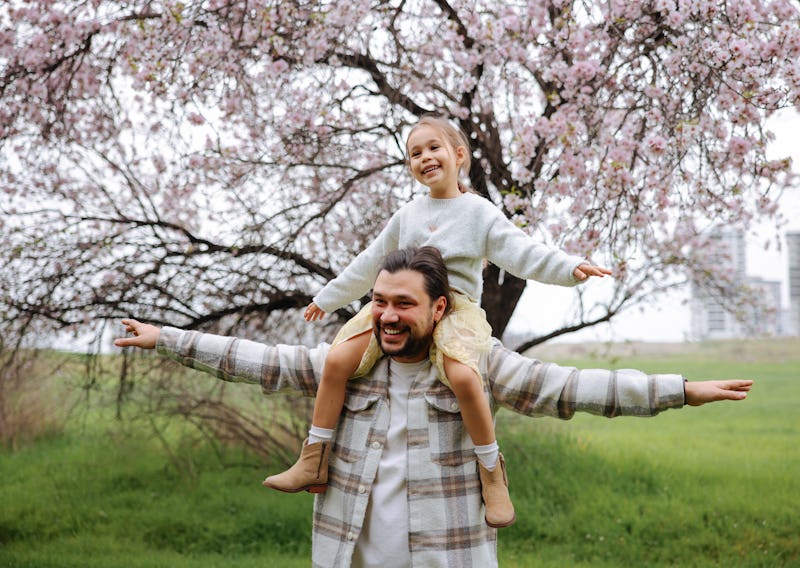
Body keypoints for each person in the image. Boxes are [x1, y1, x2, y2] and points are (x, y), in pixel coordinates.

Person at [115, 246, 752, 568]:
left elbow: (569, 388)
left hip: (447, 553)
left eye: (404, 304)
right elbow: (263, 362)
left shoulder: (470, 366)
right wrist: (167, 339)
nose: (389, 316)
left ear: (438, 309)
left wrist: (681, 390)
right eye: (379, 302)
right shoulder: (355, 366)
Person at [277, 114, 612, 527]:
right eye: (414, 153)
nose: (424, 158)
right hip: (402, 303)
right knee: (337, 359)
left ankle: (491, 473)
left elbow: (522, 251)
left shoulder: (478, 212)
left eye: (433, 148)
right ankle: (315, 456)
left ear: (458, 155)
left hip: (455, 308)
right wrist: (328, 298)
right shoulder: (407, 215)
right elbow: (370, 262)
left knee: (465, 377)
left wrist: (569, 267)